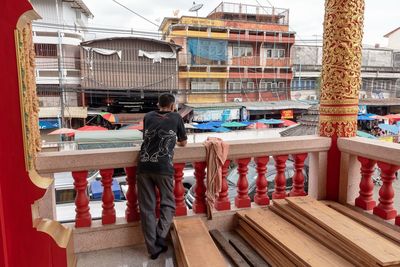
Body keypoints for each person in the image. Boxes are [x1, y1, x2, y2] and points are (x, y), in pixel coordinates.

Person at [136, 93, 187, 259]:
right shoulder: (176, 117)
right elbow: (183, 141)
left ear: (159, 104)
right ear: (172, 106)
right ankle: (159, 236)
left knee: (147, 208)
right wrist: (174, 142)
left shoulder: (148, 116)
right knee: (168, 203)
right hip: (163, 166)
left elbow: (147, 137)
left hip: (143, 164)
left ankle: (153, 249)